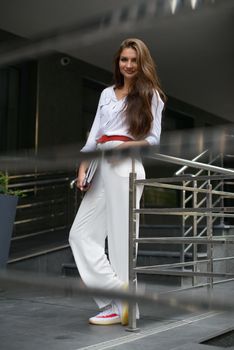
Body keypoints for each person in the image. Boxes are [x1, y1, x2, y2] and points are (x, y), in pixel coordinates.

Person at [69, 38, 166, 326]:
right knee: (81, 235)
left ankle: (120, 309)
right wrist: (83, 167)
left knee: (122, 241)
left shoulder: (152, 95)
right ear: (118, 62)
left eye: (134, 60)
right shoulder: (106, 94)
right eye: (124, 59)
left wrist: (124, 147)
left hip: (127, 167)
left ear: (142, 62)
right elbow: (93, 136)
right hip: (100, 165)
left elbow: (153, 140)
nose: (128, 65)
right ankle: (119, 298)